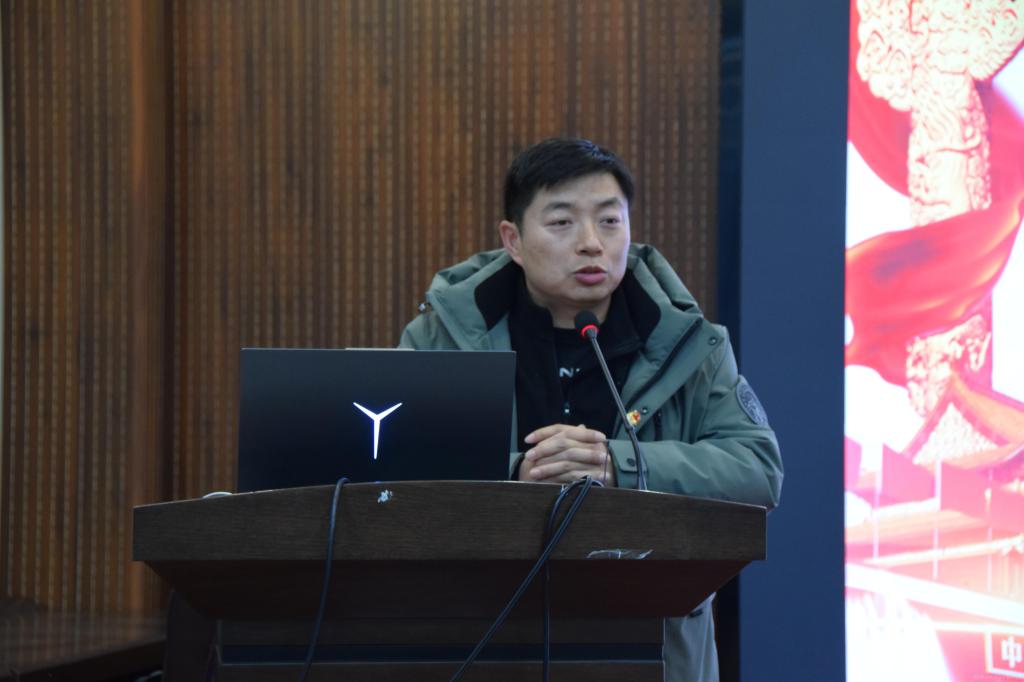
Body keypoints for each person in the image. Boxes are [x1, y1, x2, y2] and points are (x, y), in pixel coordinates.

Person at [398, 137, 783, 681]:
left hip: (650, 645)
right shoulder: (443, 335)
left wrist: (619, 465)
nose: (590, 244)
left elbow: (757, 470)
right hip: (479, 637)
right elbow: (391, 471)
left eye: (609, 221)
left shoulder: (690, 344)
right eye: (561, 223)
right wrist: (517, 473)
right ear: (513, 240)